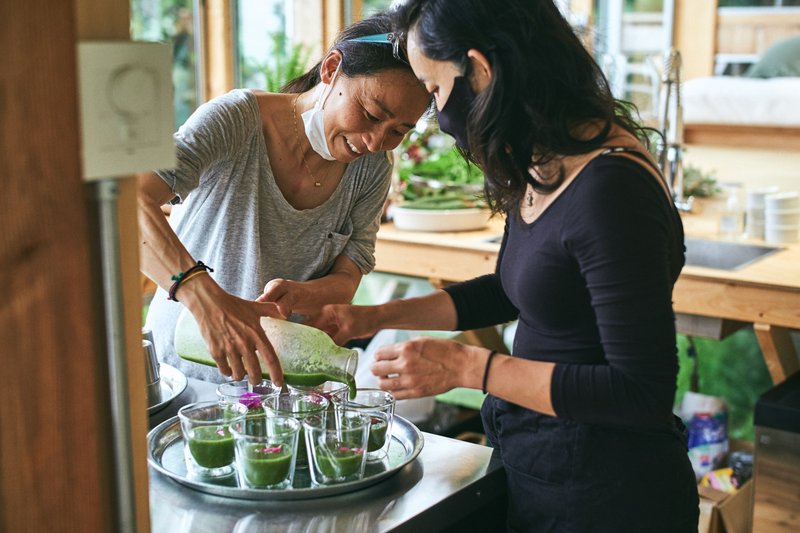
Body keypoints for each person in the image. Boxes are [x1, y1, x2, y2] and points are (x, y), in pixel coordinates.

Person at [310, 1, 699, 530]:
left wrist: (468, 368)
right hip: (538, 466)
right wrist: (369, 319)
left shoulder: (612, 190)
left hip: (607, 494)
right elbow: (515, 290)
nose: (437, 114)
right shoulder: (546, 163)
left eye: (436, 90)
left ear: (481, 70)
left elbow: (640, 391)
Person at [139, 12, 430, 385]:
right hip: (184, 376)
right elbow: (132, 205)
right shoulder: (235, 121)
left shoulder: (372, 168)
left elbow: (348, 275)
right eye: (372, 114)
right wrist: (206, 299)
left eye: (398, 131)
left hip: (279, 385)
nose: (375, 142)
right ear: (332, 68)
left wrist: (298, 296)